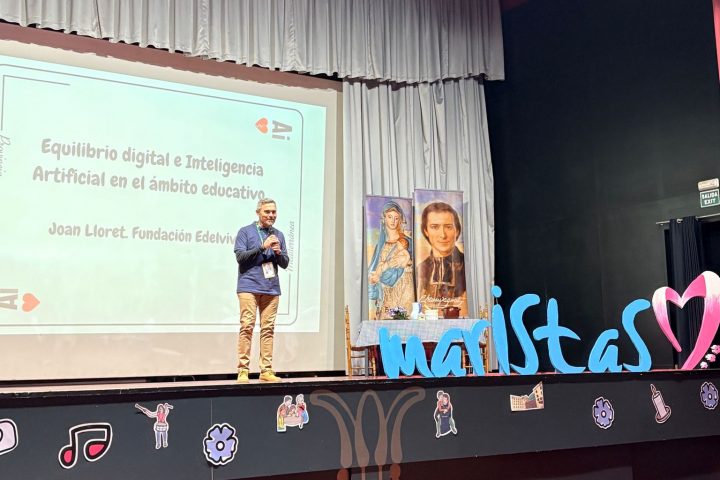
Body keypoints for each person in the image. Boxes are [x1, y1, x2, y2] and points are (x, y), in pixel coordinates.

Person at [234, 198, 289, 383]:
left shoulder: (278, 235)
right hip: (248, 286)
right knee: (247, 326)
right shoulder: (245, 231)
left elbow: (285, 263)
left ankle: (266, 370)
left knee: (268, 329)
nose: (271, 215)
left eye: (274, 212)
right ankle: (243, 370)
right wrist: (262, 247)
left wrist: (279, 253)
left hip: (271, 288)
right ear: (258, 212)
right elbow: (240, 257)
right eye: (267, 212)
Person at [417, 202, 467, 315]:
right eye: (435, 227)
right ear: (426, 231)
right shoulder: (420, 270)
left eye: (448, 227)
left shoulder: (469, 268)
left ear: (457, 231)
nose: (443, 235)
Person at [367, 201, 415, 319]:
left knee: (405, 320)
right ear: (384, 219)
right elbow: (375, 268)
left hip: (405, 285)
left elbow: (416, 264)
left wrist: (407, 261)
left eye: (396, 218)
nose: (393, 221)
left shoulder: (407, 242)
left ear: (400, 220)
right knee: (387, 322)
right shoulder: (380, 246)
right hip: (387, 290)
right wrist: (374, 279)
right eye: (389, 217)